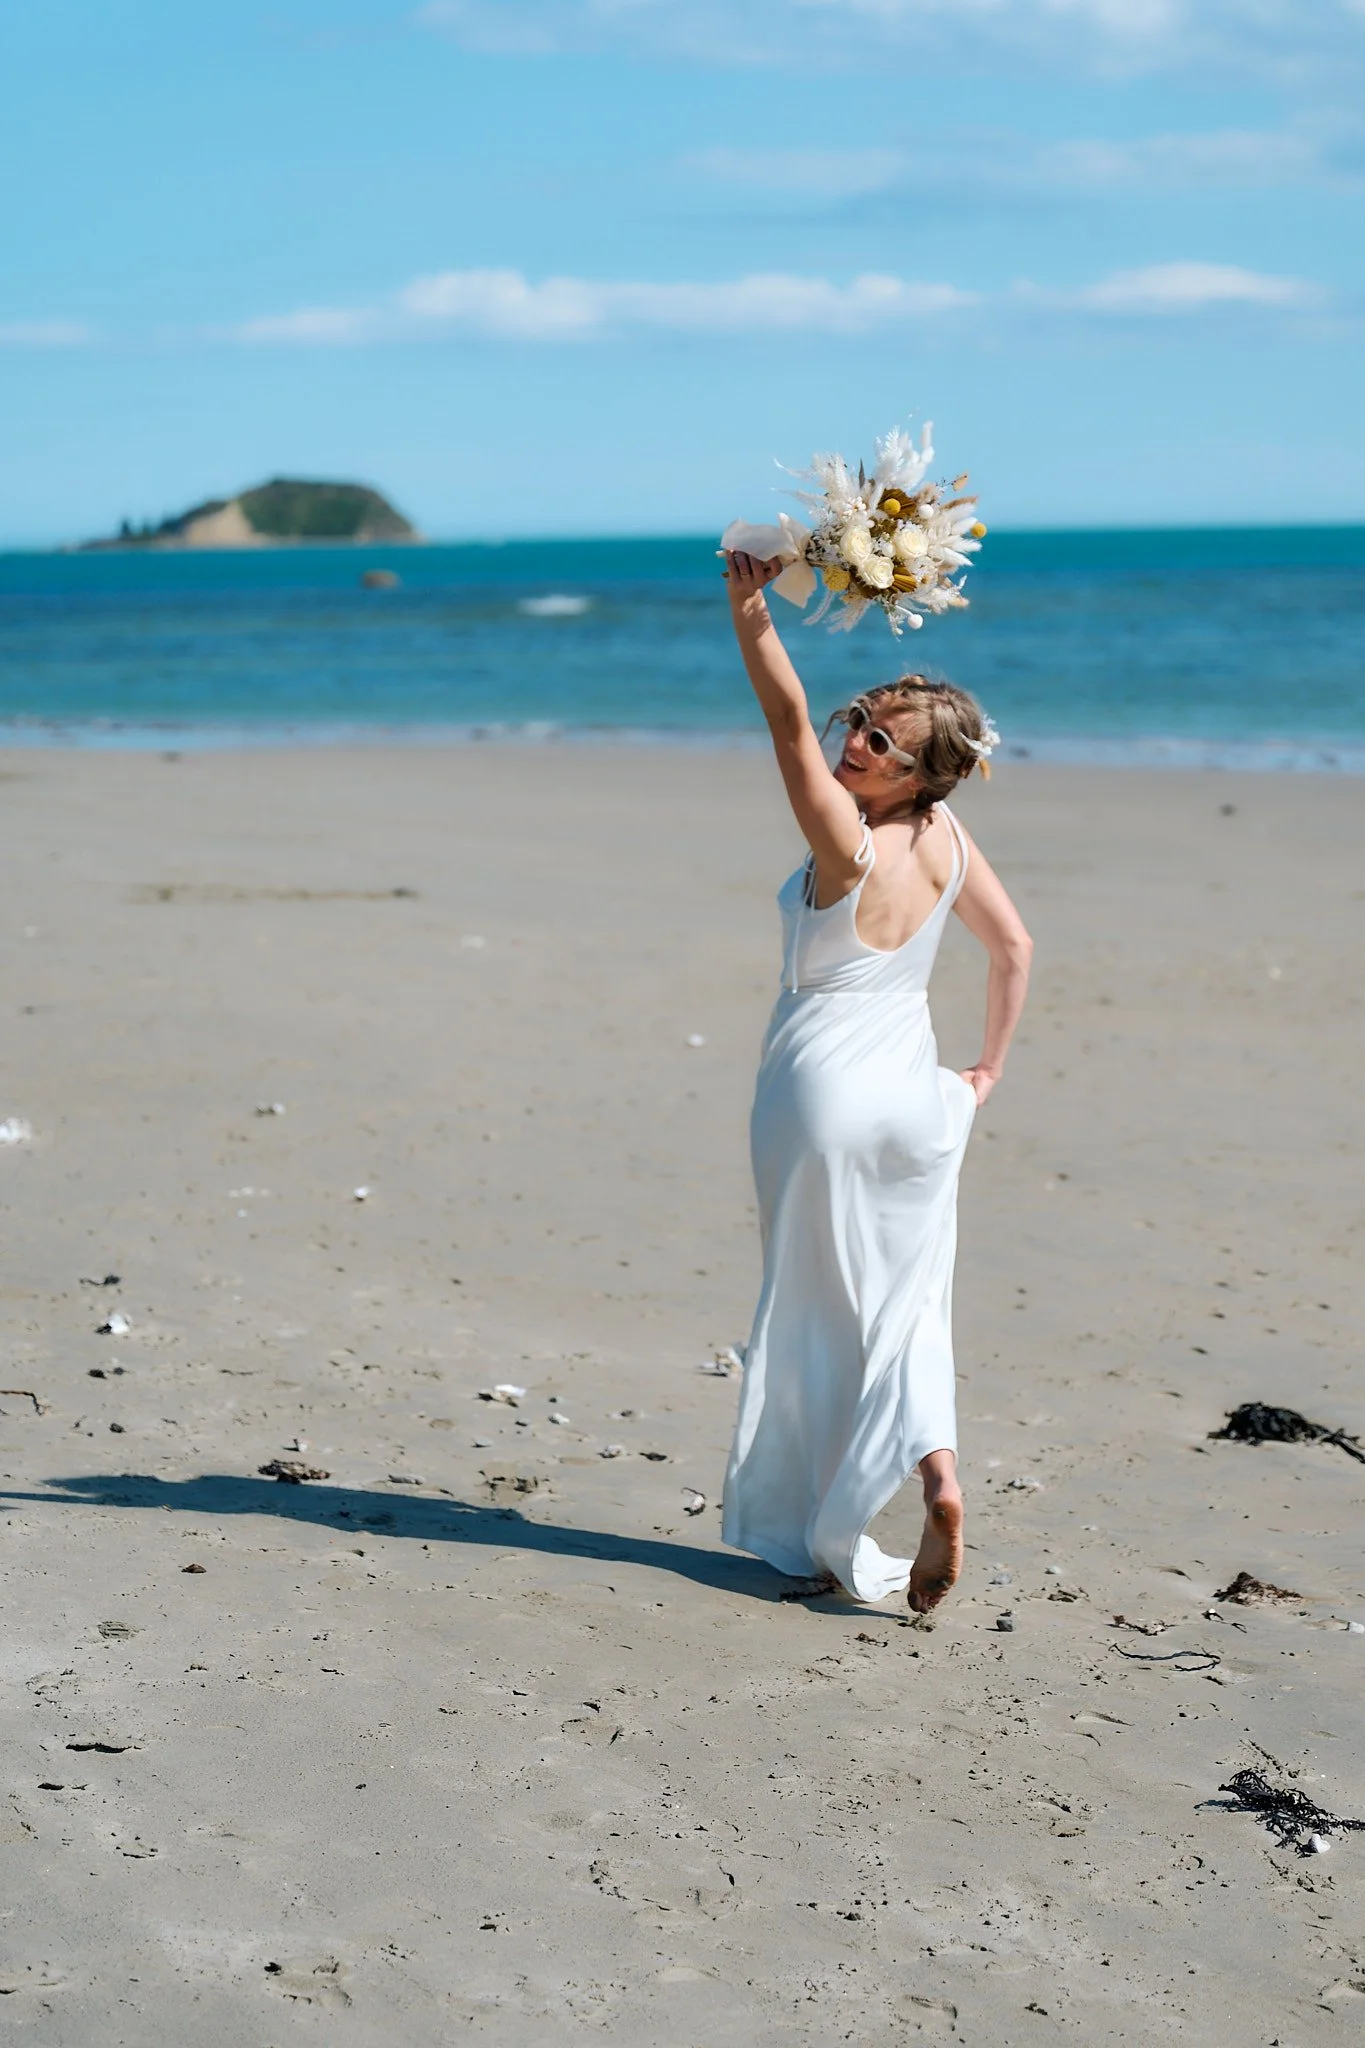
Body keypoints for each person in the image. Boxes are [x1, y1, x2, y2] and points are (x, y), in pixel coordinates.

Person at [719, 550, 1032, 1613]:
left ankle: (818, 1534)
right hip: (915, 1097)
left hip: (818, 1092)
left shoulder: (846, 846)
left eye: (881, 739)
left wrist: (748, 604)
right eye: (861, 717)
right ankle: (938, 1475)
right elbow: (1015, 947)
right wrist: (985, 1071)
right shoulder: (947, 834)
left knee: (814, 1309)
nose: (855, 740)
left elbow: (783, 720)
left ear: (913, 774)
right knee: (906, 1308)